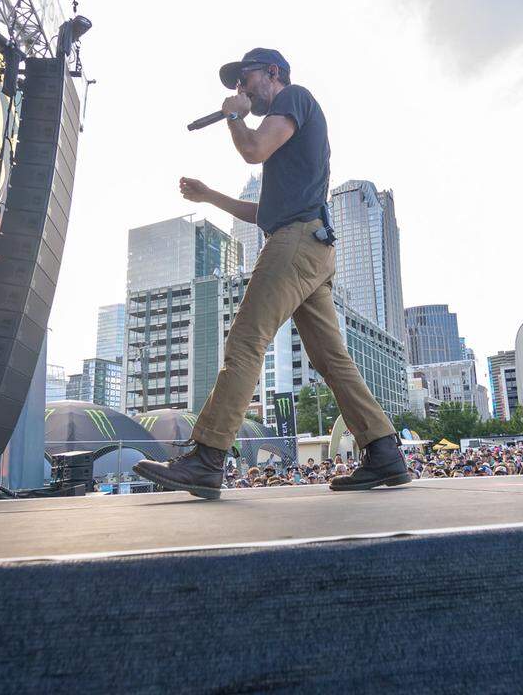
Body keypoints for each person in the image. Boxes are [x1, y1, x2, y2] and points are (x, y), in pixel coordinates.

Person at [134, 48, 408, 499]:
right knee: (331, 360)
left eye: (245, 79)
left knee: (246, 341)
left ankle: (207, 458)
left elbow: (253, 149)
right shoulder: (290, 137)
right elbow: (264, 213)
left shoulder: (294, 98)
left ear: (273, 73)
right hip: (311, 246)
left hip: (295, 242)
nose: (241, 89)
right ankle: (383, 450)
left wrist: (234, 116)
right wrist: (210, 195)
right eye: (236, 86)